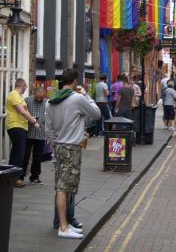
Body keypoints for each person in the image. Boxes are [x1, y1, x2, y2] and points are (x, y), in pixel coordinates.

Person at [45, 68, 101, 239]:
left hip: (59, 147)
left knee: (62, 186)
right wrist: (87, 96)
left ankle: (64, 223)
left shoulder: (51, 100)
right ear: (75, 81)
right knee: (65, 187)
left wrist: (56, 143)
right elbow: (97, 114)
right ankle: (63, 227)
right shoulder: (77, 99)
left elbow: (49, 129)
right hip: (71, 148)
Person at [6, 78, 39, 188]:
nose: (26, 89)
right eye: (25, 87)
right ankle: (16, 179)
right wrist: (33, 121)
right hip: (15, 126)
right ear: (22, 85)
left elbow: (26, 111)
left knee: (16, 152)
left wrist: (32, 118)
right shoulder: (14, 94)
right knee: (19, 153)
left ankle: (10, 178)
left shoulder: (20, 97)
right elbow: (21, 111)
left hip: (22, 127)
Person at [22, 87, 47, 184]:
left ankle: (35, 176)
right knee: (25, 155)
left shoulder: (47, 102)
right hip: (29, 132)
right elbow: (22, 112)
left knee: (38, 156)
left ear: (44, 94)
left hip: (40, 133)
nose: (39, 99)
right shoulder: (27, 100)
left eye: (41, 97)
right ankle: (21, 175)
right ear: (34, 94)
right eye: (38, 98)